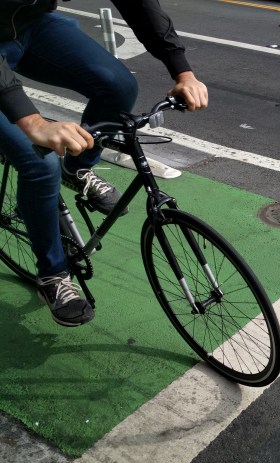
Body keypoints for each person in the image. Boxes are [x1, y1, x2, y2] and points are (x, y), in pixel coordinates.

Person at [0, 0, 208, 327]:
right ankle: (52, 276)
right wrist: (34, 123)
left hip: (29, 25)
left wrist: (183, 70)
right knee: (39, 165)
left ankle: (77, 167)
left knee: (119, 86)